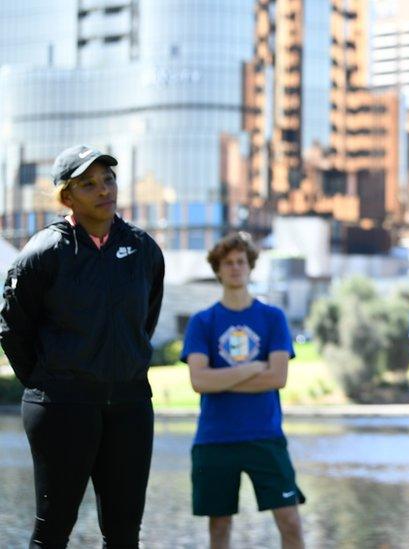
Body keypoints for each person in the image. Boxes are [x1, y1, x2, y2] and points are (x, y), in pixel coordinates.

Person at [0, 145, 165, 548]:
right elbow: (12, 329)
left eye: (108, 179)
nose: (103, 190)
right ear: (67, 198)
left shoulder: (143, 249)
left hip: (129, 405)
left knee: (124, 534)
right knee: (54, 530)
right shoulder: (43, 253)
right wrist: (51, 383)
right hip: (61, 406)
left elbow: (146, 319)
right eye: (88, 184)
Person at [182, 232, 305, 549]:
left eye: (241, 262)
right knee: (219, 527)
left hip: (265, 436)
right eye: (227, 263)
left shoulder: (272, 318)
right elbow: (199, 382)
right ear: (218, 270)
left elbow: (277, 377)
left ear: (250, 267)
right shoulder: (202, 322)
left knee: (290, 522)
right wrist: (251, 368)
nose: (235, 268)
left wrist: (220, 377)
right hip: (215, 439)